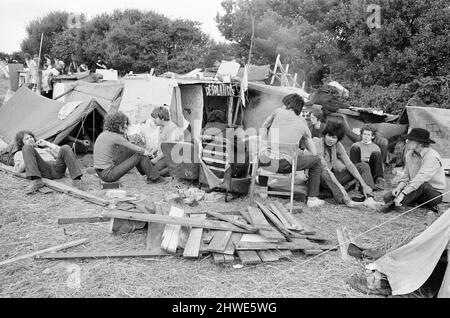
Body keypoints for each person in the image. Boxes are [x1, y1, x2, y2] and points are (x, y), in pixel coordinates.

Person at [258, 93, 324, 208]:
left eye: (284, 104)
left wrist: (262, 145)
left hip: (265, 162)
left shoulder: (277, 112)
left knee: (267, 152)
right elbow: (313, 152)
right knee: (316, 161)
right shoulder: (302, 123)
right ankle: (312, 199)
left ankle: (263, 190)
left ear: (288, 104)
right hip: (284, 165)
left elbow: (264, 126)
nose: (283, 106)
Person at [381, 128, 446, 213]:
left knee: (422, 184)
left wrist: (403, 193)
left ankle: (394, 204)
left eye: (411, 140)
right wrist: (399, 187)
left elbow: (420, 179)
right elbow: (407, 176)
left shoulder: (432, 157)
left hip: (432, 194)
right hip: (414, 189)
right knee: (387, 197)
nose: (407, 141)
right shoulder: (409, 154)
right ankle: (409, 202)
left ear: (421, 143)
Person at [315, 120, 380, 205]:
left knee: (363, 166)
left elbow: (349, 164)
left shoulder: (337, 145)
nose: (330, 139)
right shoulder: (318, 145)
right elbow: (326, 170)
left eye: (334, 137)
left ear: (338, 139)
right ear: (325, 135)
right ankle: (343, 198)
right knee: (324, 172)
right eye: (329, 136)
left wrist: (363, 185)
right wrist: (341, 189)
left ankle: (369, 196)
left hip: (334, 177)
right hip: (322, 180)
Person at [93, 111, 160, 183]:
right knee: (140, 154)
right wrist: (148, 153)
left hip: (101, 171)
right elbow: (136, 148)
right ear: (117, 124)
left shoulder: (104, 134)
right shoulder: (115, 137)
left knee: (131, 151)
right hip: (108, 174)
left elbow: (128, 148)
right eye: (124, 123)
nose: (125, 126)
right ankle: (156, 178)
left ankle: (147, 172)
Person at [13, 130, 87, 194]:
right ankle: (37, 181)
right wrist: (29, 156)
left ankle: (77, 180)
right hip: (43, 169)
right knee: (27, 148)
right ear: (21, 143)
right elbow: (18, 170)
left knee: (65, 147)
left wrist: (47, 144)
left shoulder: (44, 149)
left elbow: (64, 152)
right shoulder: (20, 153)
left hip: (57, 169)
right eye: (26, 139)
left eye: (31, 137)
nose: (30, 139)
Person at [147, 106, 183, 176]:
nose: (153, 120)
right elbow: (159, 144)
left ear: (162, 118)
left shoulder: (171, 127)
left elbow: (169, 149)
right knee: (148, 167)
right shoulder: (161, 127)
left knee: (155, 172)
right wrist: (150, 153)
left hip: (170, 157)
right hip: (163, 155)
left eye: (155, 118)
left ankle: (173, 170)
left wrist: (156, 159)